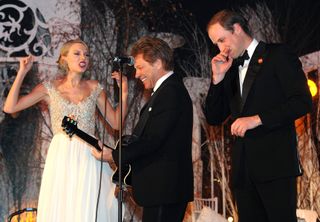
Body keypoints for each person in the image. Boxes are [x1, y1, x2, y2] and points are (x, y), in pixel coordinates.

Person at [204, 9, 312, 222]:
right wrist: (217, 78)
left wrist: (256, 119)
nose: (220, 48)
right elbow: (214, 117)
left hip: (276, 166)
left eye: (222, 40)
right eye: (216, 43)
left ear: (236, 28)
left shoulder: (278, 55)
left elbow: (302, 102)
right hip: (244, 171)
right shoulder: (230, 68)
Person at [3, 39, 128, 222]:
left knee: (87, 206)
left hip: (89, 154)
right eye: (77, 53)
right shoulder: (49, 88)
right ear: (64, 58)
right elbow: (10, 107)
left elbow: (116, 123)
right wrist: (22, 72)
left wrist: (124, 93)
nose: (83, 57)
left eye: (86, 54)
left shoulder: (94, 87)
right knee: (63, 207)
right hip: (62, 155)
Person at [91, 36, 194, 222]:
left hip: (165, 190)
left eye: (140, 67)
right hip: (161, 190)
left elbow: (153, 141)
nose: (136, 74)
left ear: (158, 63)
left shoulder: (171, 92)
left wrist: (114, 155)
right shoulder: (165, 91)